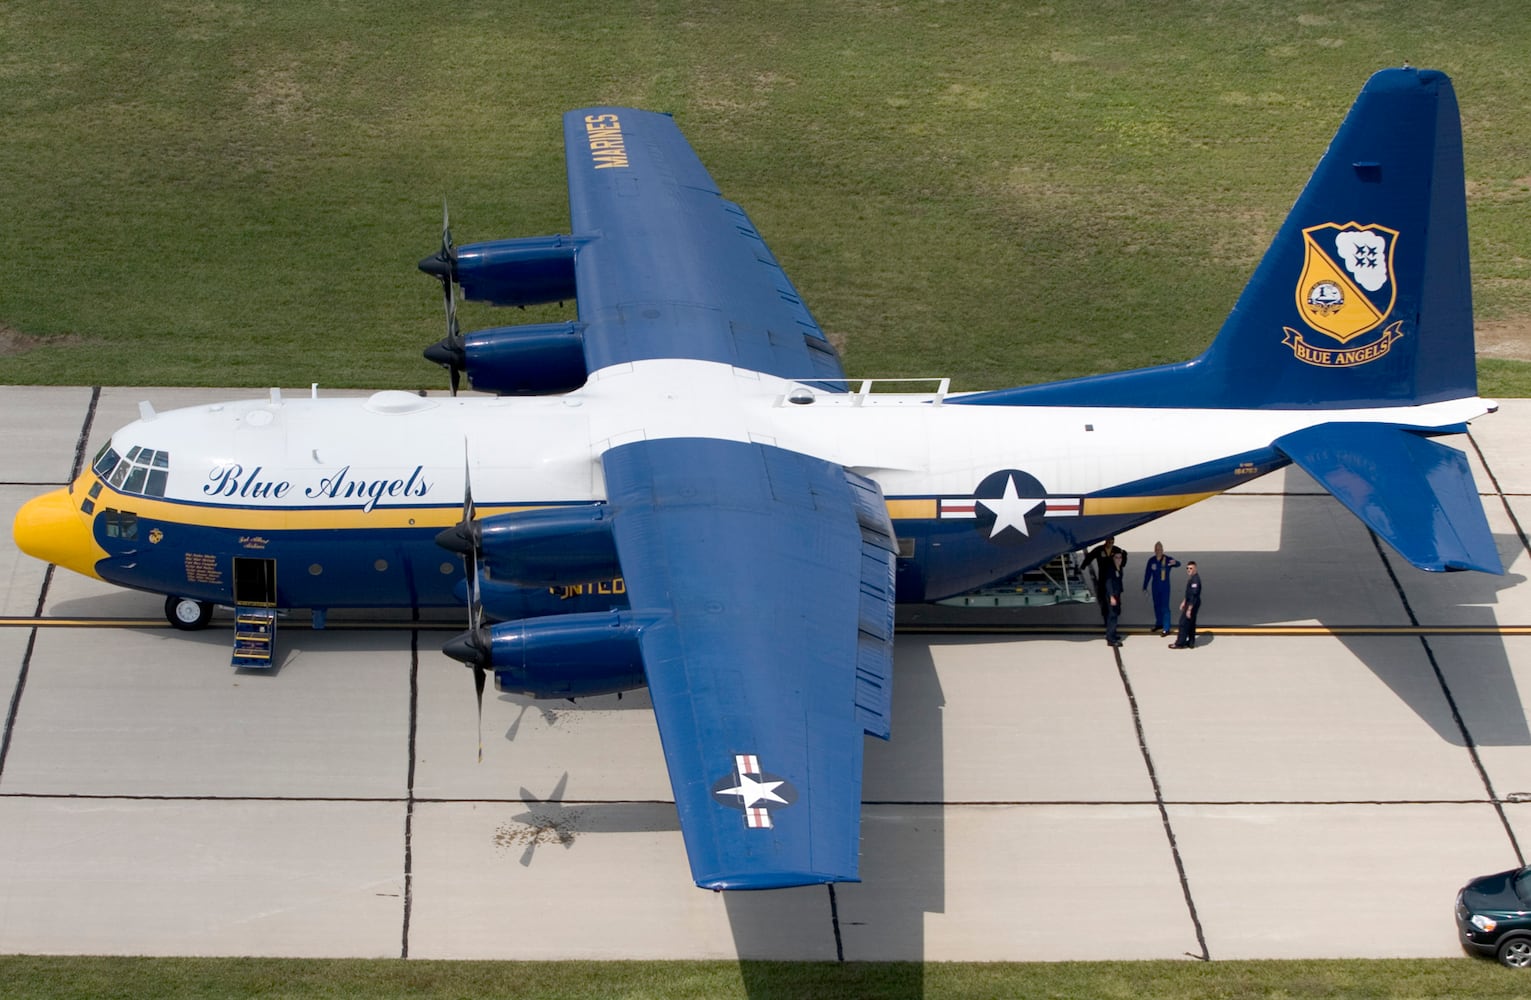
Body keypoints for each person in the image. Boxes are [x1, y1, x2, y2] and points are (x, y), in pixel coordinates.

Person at [1084, 536, 1128, 624]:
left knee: (1117, 595)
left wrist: (1125, 556)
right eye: (1109, 541)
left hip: (1115, 576)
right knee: (1103, 595)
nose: (1111, 543)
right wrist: (1083, 565)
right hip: (1103, 576)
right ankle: (1105, 613)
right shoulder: (1099, 549)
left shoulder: (1117, 550)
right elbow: (1090, 556)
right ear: (1106, 541)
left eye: (1112, 541)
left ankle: (1117, 610)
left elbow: (1123, 563)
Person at [1142, 542, 1181, 637]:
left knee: (1165, 607)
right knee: (1157, 605)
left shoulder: (1167, 559)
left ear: (1162, 550)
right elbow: (1148, 573)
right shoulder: (1151, 560)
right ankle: (1159, 623)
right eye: (1156, 549)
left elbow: (1178, 564)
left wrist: (1175, 562)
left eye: (1160, 549)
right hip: (1155, 586)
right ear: (1154, 550)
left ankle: (1166, 628)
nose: (1158, 551)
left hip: (1165, 587)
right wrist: (1144, 586)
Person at [1168, 561, 1202, 649]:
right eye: (1187, 568)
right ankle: (1191, 643)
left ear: (1195, 568)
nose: (1188, 570)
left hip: (1192, 603)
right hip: (1190, 602)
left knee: (1183, 623)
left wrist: (1189, 609)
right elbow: (1189, 593)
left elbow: (1194, 595)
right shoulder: (1192, 578)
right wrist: (1184, 601)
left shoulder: (1195, 580)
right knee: (1191, 623)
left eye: (1191, 568)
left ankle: (1180, 643)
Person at [1104, 550, 1124, 646]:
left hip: (1117, 594)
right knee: (1112, 616)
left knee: (1116, 614)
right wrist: (1111, 596)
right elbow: (1108, 583)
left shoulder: (1119, 568)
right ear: (1113, 558)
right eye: (1117, 558)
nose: (1119, 560)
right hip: (1112, 595)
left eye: (1120, 558)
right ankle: (1111, 639)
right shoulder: (1110, 569)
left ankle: (1113, 634)